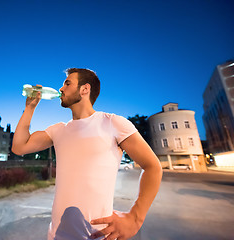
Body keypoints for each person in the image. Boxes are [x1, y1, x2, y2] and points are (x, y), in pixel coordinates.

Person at [12, 68, 162, 240]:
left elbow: (153, 167)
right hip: (55, 235)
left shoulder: (113, 123)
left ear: (85, 89)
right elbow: (19, 147)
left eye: (67, 83)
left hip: (97, 236)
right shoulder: (58, 130)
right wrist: (30, 109)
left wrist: (135, 218)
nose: (61, 89)